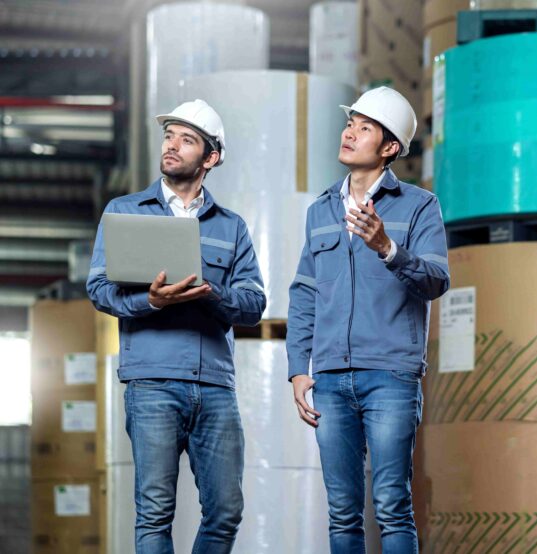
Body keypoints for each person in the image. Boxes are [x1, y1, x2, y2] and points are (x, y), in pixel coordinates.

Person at [86, 99, 266, 553]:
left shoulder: (232, 227)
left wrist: (214, 294)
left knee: (226, 511)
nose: (172, 145)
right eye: (169, 136)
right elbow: (99, 289)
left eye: (187, 139)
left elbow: (254, 304)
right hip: (151, 384)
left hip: (215, 388)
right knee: (154, 514)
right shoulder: (125, 210)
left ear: (211, 158)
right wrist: (149, 300)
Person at [286, 86, 450, 553]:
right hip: (332, 378)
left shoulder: (419, 206)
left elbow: (436, 279)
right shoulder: (320, 210)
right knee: (342, 513)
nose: (349, 133)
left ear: (390, 147)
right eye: (349, 124)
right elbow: (304, 294)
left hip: (391, 376)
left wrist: (388, 249)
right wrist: (299, 368)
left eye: (364, 127)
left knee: (392, 505)